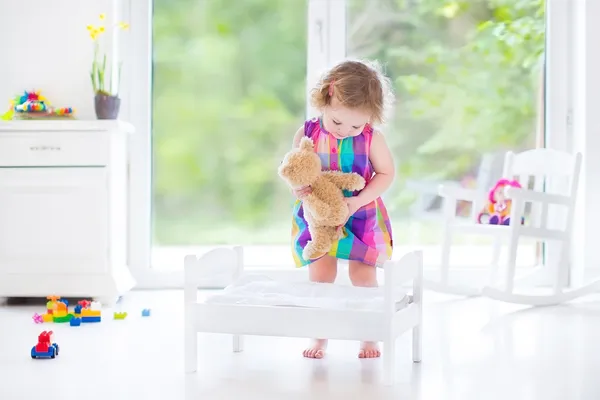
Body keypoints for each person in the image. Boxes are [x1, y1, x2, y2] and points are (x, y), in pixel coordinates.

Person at [289, 59, 395, 359]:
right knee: (321, 275)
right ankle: (320, 335)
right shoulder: (307, 133)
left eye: (356, 125)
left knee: (363, 276)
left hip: (360, 214)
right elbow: (295, 170)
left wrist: (358, 201)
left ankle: (369, 334)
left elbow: (386, 173)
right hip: (319, 214)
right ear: (326, 99)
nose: (345, 131)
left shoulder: (371, 138)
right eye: (337, 122)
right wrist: (298, 188)